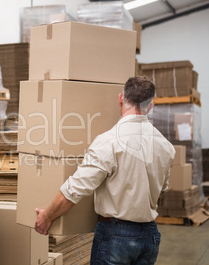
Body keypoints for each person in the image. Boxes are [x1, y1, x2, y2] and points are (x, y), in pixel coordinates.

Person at [34, 76, 175, 264]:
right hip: (150, 236)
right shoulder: (165, 146)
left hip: (116, 236)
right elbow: (162, 188)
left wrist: (47, 216)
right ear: (151, 106)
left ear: (120, 99)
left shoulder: (109, 141)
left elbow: (75, 188)